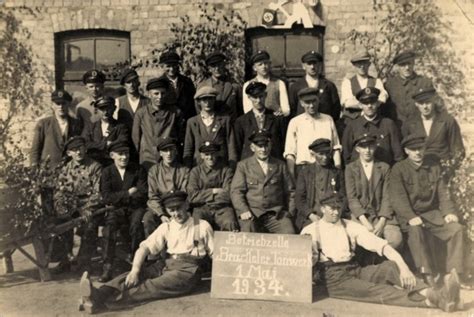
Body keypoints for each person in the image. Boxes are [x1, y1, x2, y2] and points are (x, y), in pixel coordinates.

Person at [301, 192, 462, 312]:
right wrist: (312, 258)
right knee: (373, 290)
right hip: (333, 279)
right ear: (322, 208)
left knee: (391, 267)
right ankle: (432, 301)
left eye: (338, 208)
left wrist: (403, 267)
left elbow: (381, 245)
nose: (336, 212)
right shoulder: (311, 231)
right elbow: (303, 263)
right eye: (331, 209)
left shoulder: (348, 225)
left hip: (354, 268)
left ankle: (433, 293)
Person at [78, 190, 214, 314]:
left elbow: (215, 254)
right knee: (132, 275)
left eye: (179, 208)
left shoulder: (202, 225)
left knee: (151, 287)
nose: (176, 214)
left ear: (186, 205)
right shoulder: (166, 226)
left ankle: (102, 302)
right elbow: (144, 248)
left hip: (188, 271)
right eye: (171, 210)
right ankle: (98, 293)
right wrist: (135, 271)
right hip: (167, 263)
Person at [389, 134, 465, 287]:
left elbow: (443, 193)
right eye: (413, 149)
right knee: (416, 230)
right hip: (411, 216)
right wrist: (410, 216)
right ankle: (426, 275)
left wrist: (449, 212)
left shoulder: (434, 167)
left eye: (420, 148)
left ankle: (452, 274)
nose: (418, 152)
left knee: (456, 229)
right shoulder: (399, 169)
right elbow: (398, 198)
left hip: (432, 216)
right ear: (406, 151)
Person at [99, 140, 148, 282]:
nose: (124, 157)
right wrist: (127, 193)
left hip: (135, 208)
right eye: (120, 154)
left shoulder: (138, 169)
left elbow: (142, 193)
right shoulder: (107, 172)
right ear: (112, 155)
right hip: (116, 210)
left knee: (136, 226)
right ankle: (107, 267)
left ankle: (136, 263)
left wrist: (119, 197)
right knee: (109, 229)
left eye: (126, 153)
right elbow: (106, 197)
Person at [52, 136, 102, 275]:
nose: (78, 152)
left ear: (85, 149)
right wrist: (62, 208)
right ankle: (66, 259)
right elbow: (59, 191)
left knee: (89, 225)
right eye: (74, 150)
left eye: (80, 148)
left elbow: (98, 193)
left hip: (90, 205)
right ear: (69, 153)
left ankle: (84, 262)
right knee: (60, 224)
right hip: (71, 206)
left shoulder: (95, 167)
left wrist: (88, 209)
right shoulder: (66, 169)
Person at [231, 130, 295, 234]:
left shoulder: (280, 165)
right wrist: (243, 210)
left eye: (266, 145)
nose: (263, 149)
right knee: (247, 236)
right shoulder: (243, 166)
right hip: (252, 214)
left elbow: (291, 191)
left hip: (276, 215)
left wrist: (290, 213)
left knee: (289, 234)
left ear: (270, 146)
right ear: (252, 148)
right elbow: (236, 192)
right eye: (259, 146)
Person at [345, 133, 402, 249]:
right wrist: (365, 222)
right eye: (363, 147)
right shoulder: (350, 168)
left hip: (381, 215)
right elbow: (352, 198)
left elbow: (388, 196)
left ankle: (386, 264)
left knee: (395, 239)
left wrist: (381, 222)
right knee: (353, 240)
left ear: (375, 147)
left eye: (370, 146)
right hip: (360, 216)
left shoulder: (384, 167)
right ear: (357, 149)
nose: (367, 150)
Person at [402, 84, 465, 169]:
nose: (425, 107)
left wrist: (450, 169)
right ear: (416, 104)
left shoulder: (447, 121)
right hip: (419, 171)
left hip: (443, 170)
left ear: (434, 100)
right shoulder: (410, 124)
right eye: (421, 103)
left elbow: (458, 150)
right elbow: (406, 151)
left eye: (428, 102)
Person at [284, 87, 341, 180]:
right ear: (301, 103)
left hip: (326, 169)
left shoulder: (328, 119)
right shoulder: (295, 122)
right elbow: (290, 153)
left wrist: (338, 171)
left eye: (314, 101)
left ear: (318, 100)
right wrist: (292, 177)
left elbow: (336, 148)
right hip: (304, 169)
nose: (311, 105)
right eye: (307, 102)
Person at [132, 77, 185, 171]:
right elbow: (136, 141)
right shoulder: (141, 114)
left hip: (169, 161)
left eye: (163, 93)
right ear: (149, 94)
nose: (160, 97)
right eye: (156, 93)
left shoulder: (175, 112)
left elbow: (181, 137)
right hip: (148, 161)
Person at [342, 87, 403, 166]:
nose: (369, 106)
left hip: (385, 172)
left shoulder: (388, 124)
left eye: (372, 102)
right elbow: (346, 155)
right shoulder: (352, 126)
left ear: (378, 103)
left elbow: (398, 155)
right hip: (360, 174)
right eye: (365, 103)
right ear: (360, 105)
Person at [295, 138, 346, 232]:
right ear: (313, 154)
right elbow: (299, 199)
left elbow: (342, 197)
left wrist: (334, 214)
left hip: (333, 216)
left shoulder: (337, 172)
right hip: (311, 217)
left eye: (327, 153)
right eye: (321, 154)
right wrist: (310, 214)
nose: (325, 157)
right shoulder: (305, 172)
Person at [142, 137, 189, 237]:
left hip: (178, 207)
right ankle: (153, 252)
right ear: (160, 153)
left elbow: (184, 193)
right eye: (165, 150)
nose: (169, 153)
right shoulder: (154, 171)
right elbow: (153, 196)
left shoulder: (184, 170)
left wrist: (175, 211)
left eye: (171, 149)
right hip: (160, 208)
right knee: (148, 219)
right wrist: (161, 214)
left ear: (176, 151)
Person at [187, 141, 238, 231]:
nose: (210, 157)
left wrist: (203, 196)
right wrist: (213, 191)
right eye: (207, 154)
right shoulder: (195, 172)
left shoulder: (226, 171)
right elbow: (192, 196)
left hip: (222, 208)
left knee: (230, 222)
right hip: (201, 208)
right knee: (196, 226)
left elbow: (229, 194)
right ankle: (196, 244)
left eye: (213, 154)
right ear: (202, 155)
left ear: (217, 154)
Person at [183, 86, 237, 169]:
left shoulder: (224, 120)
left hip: (221, 167)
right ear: (198, 102)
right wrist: (187, 170)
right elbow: (188, 149)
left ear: (214, 100)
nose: (207, 103)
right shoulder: (192, 122)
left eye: (210, 99)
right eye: (204, 100)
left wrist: (232, 166)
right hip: (199, 168)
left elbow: (231, 146)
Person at [338, 50, 388, 137]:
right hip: (352, 121)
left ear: (369, 64)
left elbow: (383, 97)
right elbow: (347, 103)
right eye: (358, 64)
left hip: (372, 121)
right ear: (354, 65)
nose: (362, 66)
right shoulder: (348, 82)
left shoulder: (376, 81)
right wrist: (371, 101)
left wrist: (357, 100)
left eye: (364, 63)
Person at [31, 89, 83, 168]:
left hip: (69, 170)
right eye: (58, 103)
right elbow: (35, 150)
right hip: (48, 169)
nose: (60, 107)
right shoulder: (44, 124)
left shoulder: (75, 124)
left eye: (63, 103)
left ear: (68, 104)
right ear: (53, 105)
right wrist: (34, 168)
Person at [234, 82, 285, 160]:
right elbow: (237, 147)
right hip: (250, 166)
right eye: (255, 97)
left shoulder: (277, 119)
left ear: (266, 95)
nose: (258, 100)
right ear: (249, 97)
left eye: (261, 96)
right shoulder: (241, 121)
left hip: (273, 164)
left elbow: (283, 144)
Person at [289, 50, 341, 121]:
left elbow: (336, 109)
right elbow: (292, 109)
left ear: (320, 65)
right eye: (309, 64)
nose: (312, 67)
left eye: (315, 63)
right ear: (303, 66)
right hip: (303, 126)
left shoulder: (329, 86)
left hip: (323, 124)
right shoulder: (296, 86)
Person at [384, 50, 433, 126]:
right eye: (403, 64)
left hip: (419, 129)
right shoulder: (389, 85)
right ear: (398, 66)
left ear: (413, 63)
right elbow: (384, 111)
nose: (407, 68)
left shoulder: (424, 83)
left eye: (409, 63)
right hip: (397, 130)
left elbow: (434, 108)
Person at [81, 96, 129, 167]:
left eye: (108, 108)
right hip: (93, 164)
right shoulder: (90, 127)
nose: (105, 112)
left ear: (114, 109)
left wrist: (95, 145)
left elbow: (122, 142)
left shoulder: (120, 127)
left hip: (112, 164)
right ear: (97, 110)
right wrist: (105, 144)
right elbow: (84, 143)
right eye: (102, 109)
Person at [242, 50, 290, 117]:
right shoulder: (248, 85)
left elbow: (286, 110)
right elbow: (247, 109)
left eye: (266, 63)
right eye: (260, 64)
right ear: (254, 68)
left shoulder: (279, 83)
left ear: (270, 64)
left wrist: (281, 112)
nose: (263, 67)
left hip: (275, 121)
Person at [196, 51, 242, 121]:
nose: (217, 68)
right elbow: (198, 110)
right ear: (209, 68)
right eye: (213, 66)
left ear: (224, 65)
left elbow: (240, 110)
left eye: (219, 65)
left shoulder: (234, 86)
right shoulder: (202, 87)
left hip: (231, 127)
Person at [159, 51, 196, 121]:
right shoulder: (160, 83)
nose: (172, 69)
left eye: (174, 65)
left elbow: (193, 104)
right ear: (162, 66)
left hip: (186, 121)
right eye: (168, 66)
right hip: (167, 122)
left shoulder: (187, 81)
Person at [117, 68, 149, 133]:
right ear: (124, 85)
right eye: (128, 82)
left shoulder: (147, 102)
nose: (131, 85)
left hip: (143, 139)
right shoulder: (118, 102)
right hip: (125, 140)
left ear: (138, 83)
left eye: (134, 81)